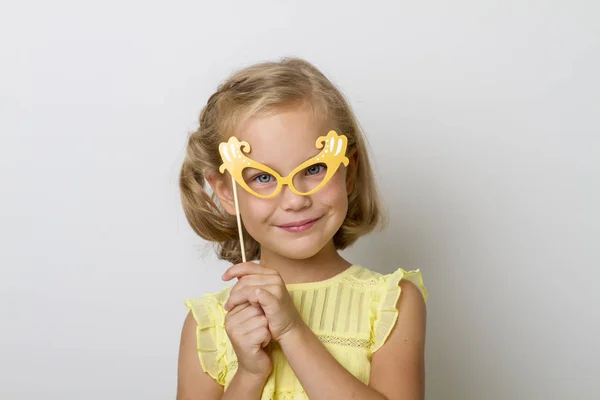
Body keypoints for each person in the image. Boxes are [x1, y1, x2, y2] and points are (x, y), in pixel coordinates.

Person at [176, 57, 428, 400]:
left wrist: (293, 331)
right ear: (225, 192)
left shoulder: (392, 303)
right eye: (263, 177)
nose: (295, 200)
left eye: (313, 170)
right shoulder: (208, 325)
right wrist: (249, 374)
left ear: (348, 172)